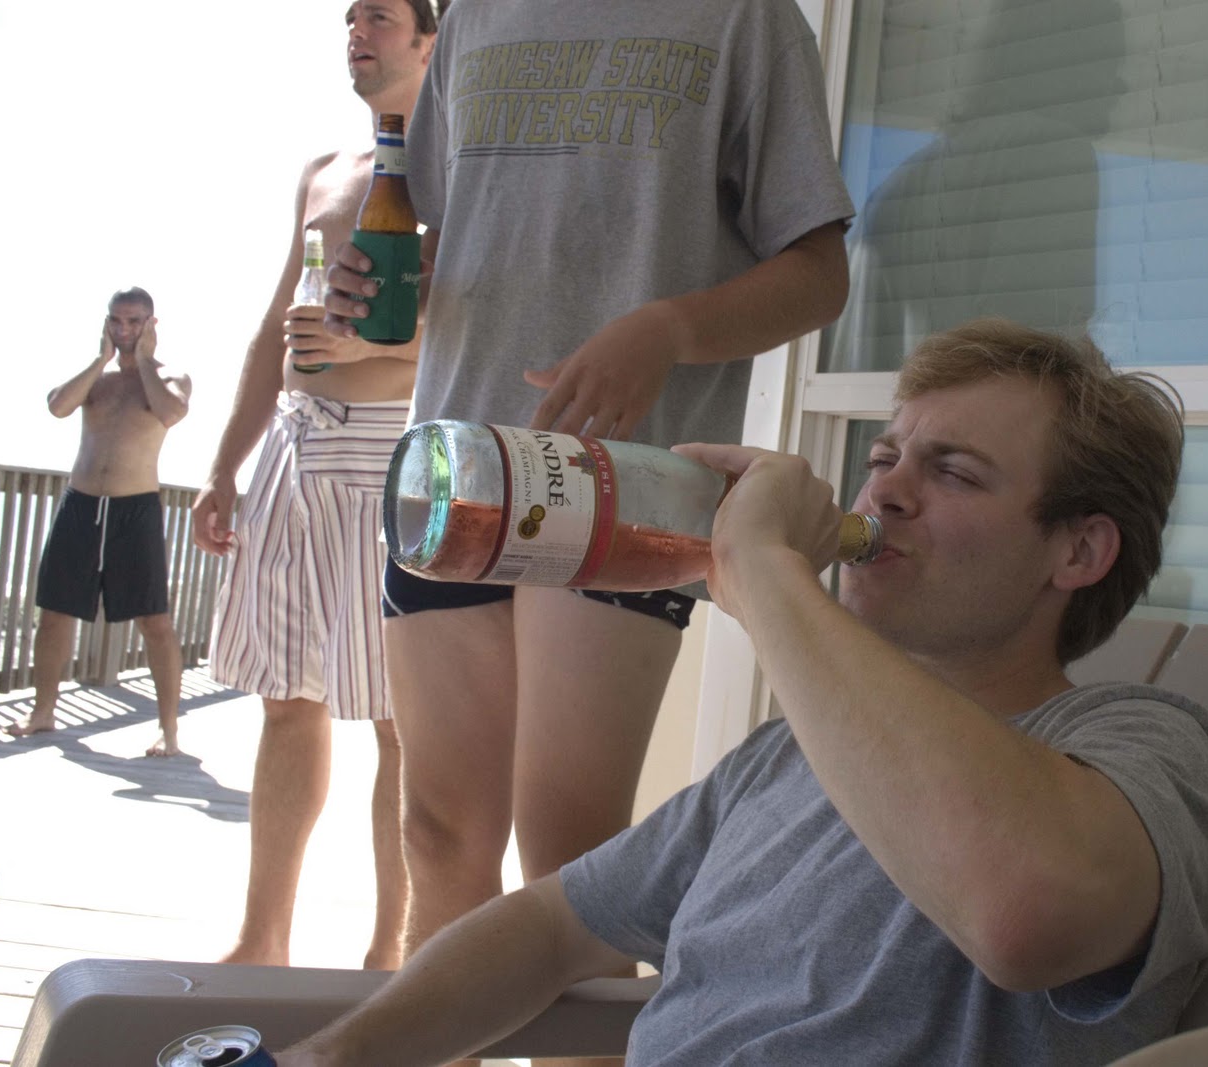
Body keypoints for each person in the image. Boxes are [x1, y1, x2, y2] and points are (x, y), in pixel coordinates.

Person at [274, 319, 1208, 1066]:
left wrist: (765, 569)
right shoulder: (789, 753)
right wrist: (331, 1057)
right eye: (883, 458)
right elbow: (552, 924)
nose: (883, 494)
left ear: (1077, 550)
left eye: (952, 472)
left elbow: (1024, 913)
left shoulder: (1143, 743)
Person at [321, 0, 858, 1011]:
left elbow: (819, 274)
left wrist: (667, 329)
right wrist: (374, 284)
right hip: (451, 469)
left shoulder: (747, 18)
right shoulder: (475, 15)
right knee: (438, 835)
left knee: (570, 865)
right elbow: (445, 238)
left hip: (619, 488)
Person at [189, 0, 441, 971]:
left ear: (429, 39)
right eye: (348, 18)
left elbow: (471, 325)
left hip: (387, 456)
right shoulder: (325, 170)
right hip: (293, 454)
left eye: (379, 16)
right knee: (284, 698)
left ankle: (391, 953)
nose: (356, 32)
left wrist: (366, 346)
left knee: (401, 719)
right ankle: (264, 940)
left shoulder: (456, 170)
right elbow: (273, 329)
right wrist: (224, 466)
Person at [9, 288, 191, 758]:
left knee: (154, 620)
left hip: (136, 509)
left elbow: (171, 413)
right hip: (81, 504)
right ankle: (43, 711)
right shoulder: (98, 378)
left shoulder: (170, 378)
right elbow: (57, 406)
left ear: (151, 324)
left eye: (134, 321)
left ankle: (169, 730)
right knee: (54, 611)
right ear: (106, 323)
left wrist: (143, 360)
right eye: (116, 320)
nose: (123, 330)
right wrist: (100, 359)